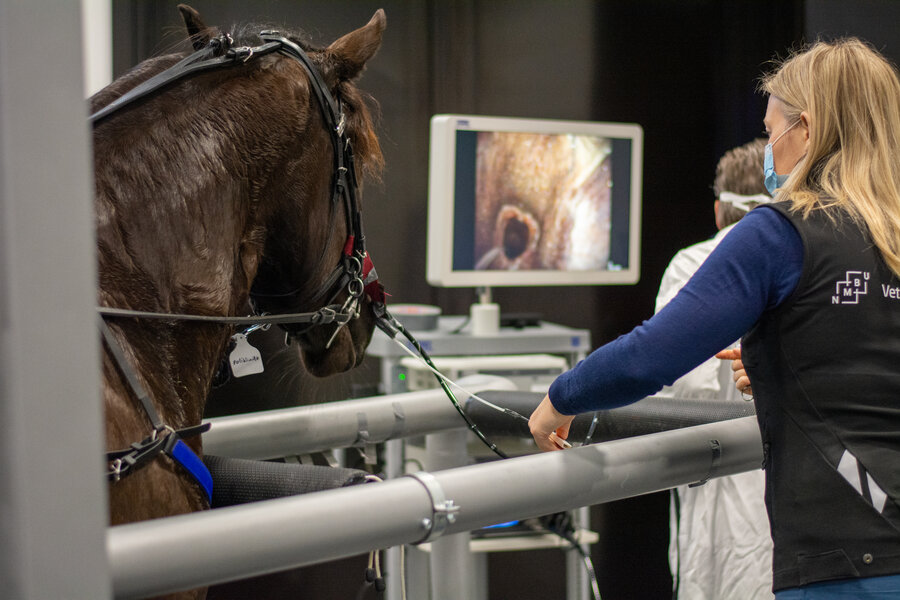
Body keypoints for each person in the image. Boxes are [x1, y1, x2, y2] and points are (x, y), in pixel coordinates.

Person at [529, 37, 900, 599]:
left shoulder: (779, 233)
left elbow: (651, 357)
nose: (770, 150)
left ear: (808, 128)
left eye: (773, 132)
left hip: (847, 562)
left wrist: (559, 400)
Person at [657, 138, 774, 600]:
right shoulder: (806, 256)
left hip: (713, 464)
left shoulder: (693, 264)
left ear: (718, 211)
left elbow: (673, 376)